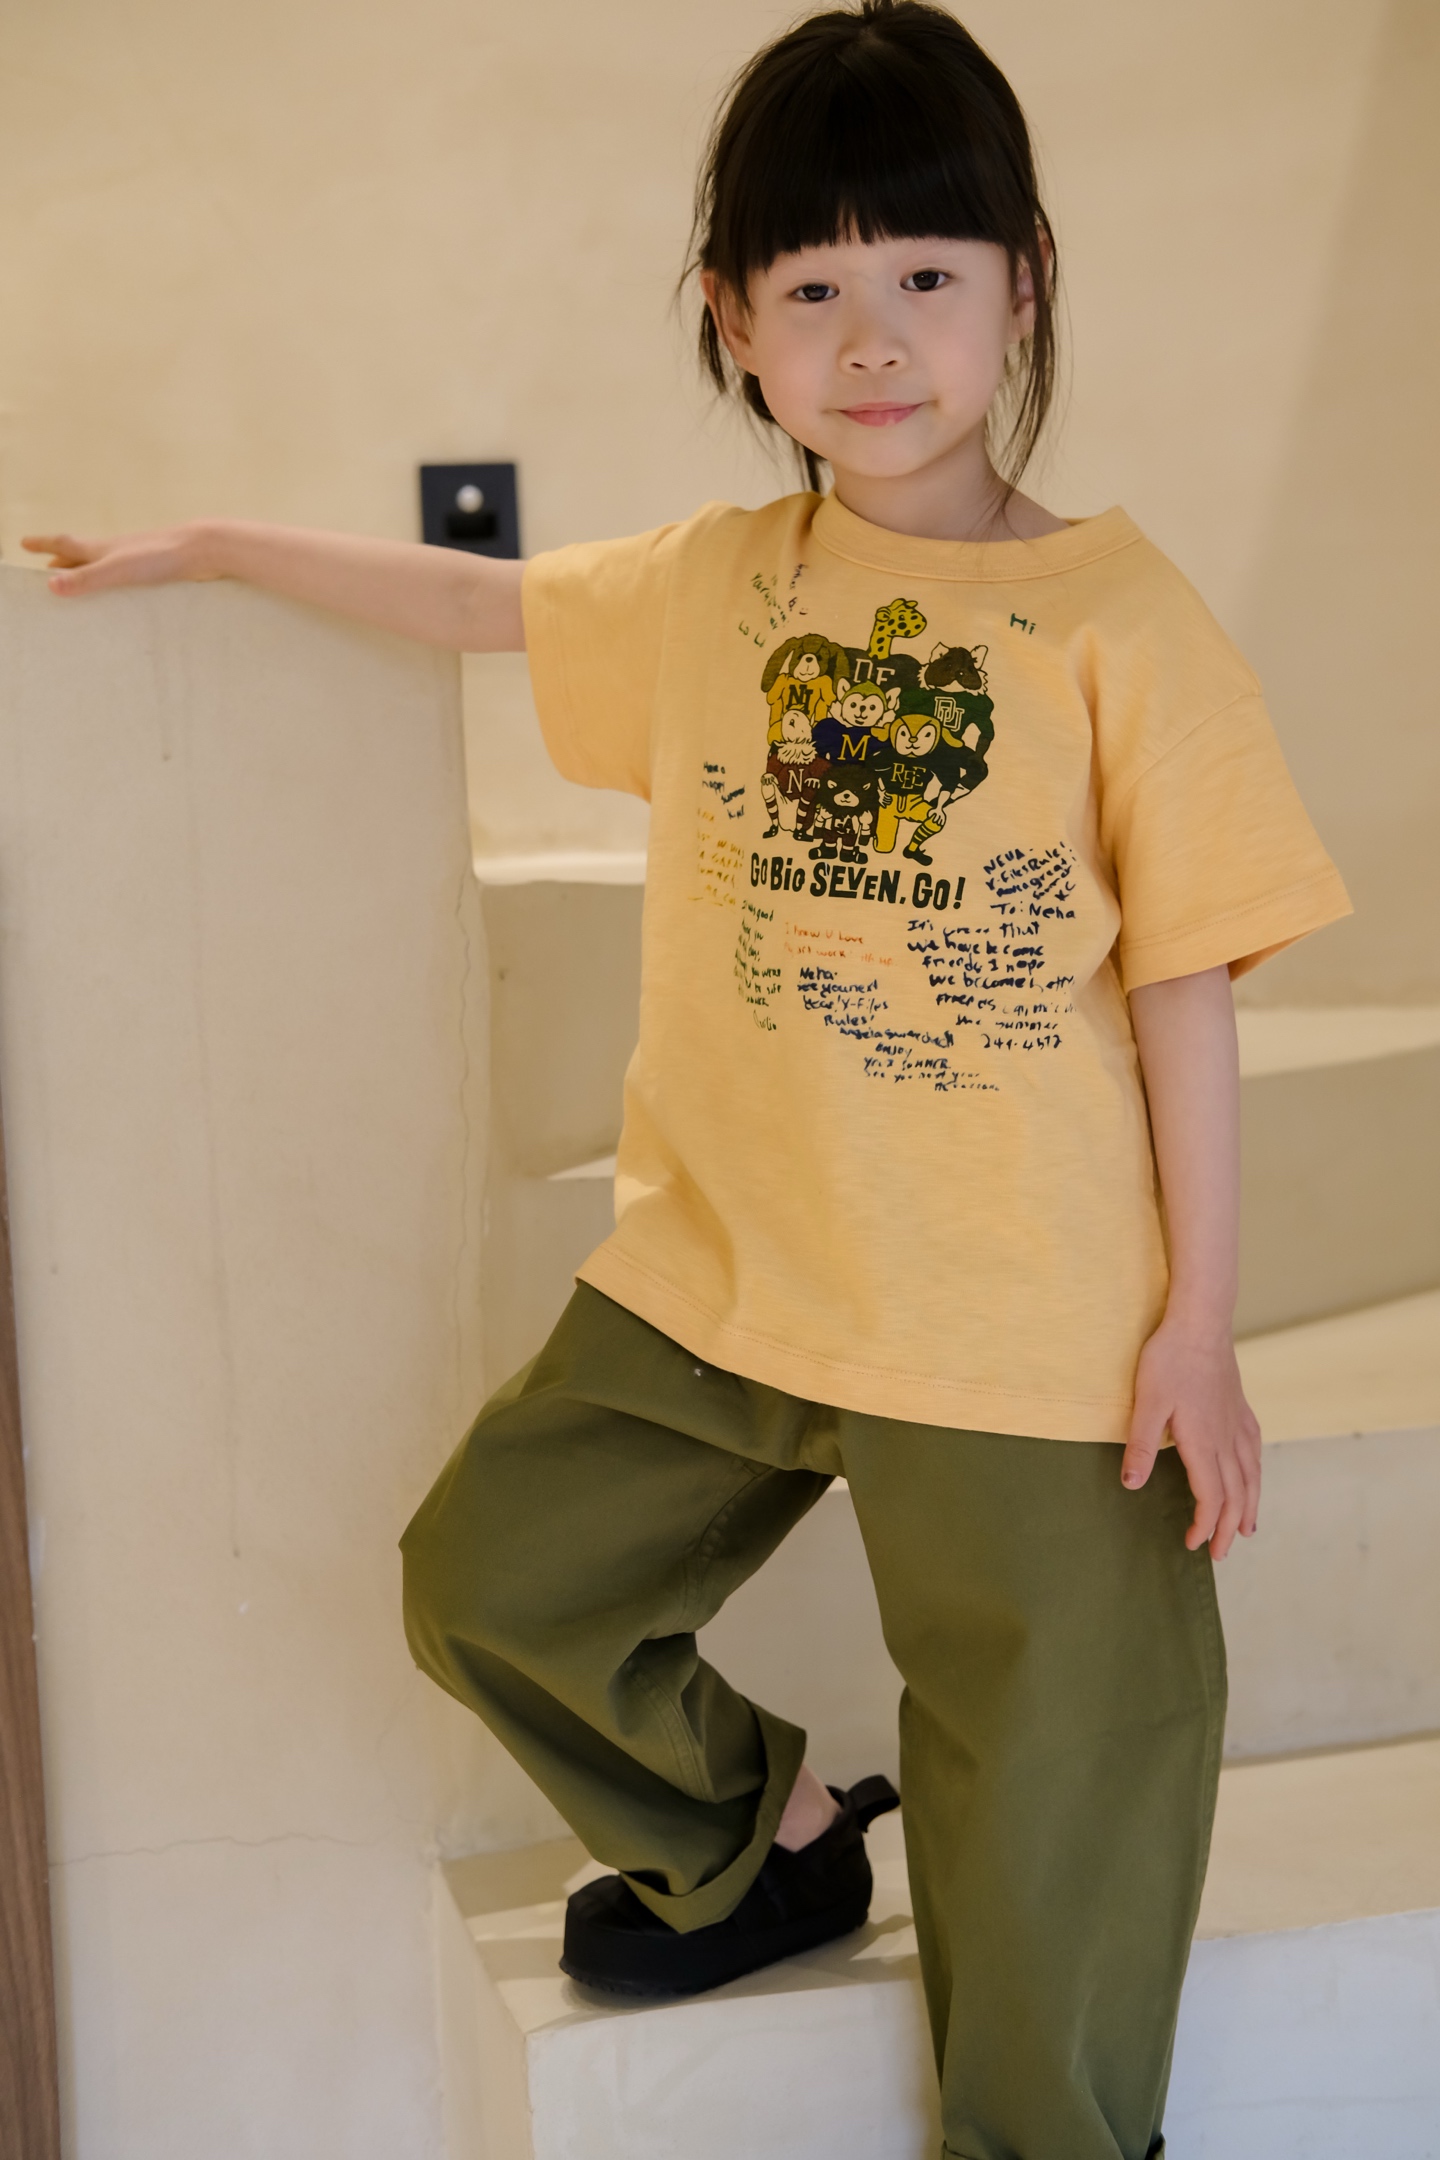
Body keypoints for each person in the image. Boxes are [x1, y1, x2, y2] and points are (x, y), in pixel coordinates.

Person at [26, 5, 1351, 2153]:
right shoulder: (724, 589)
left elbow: (1184, 988)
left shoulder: (1127, 624)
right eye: (809, 289)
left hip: (1021, 1326)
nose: (873, 338)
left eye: (924, 273)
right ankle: (758, 1845)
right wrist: (220, 547)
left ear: (1022, 285)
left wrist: (1196, 1324)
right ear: (732, 323)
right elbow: (480, 605)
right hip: (726, 1277)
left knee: (1063, 1812)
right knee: (493, 1584)